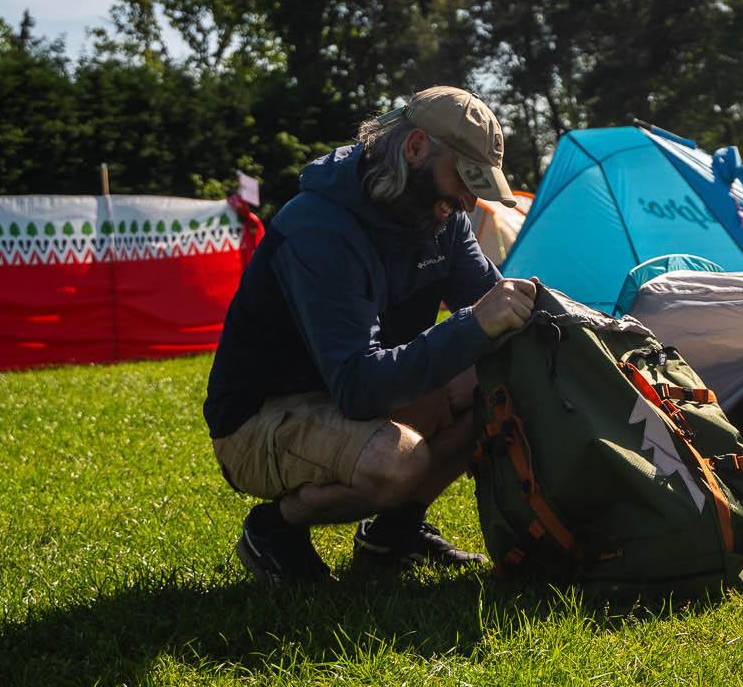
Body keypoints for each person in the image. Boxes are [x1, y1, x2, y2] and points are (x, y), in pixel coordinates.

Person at [203, 86, 539, 583]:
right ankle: (272, 529)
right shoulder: (319, 227)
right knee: (396, 463)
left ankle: (393, 535)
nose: (470, 199)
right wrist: (473, 325)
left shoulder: (440, 215)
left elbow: (494, 308)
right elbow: (359, 387)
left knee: (499, 384)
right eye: (465, 178)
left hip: (347, 399)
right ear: (416, 147)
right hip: (260, 420)